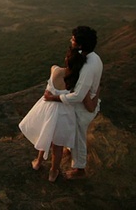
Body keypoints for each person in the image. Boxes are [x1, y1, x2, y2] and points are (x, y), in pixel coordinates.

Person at [19, 47, 98, 182]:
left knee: (45, 135)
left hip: (48, 112)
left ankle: (38, 162)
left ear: (66, 60)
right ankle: (53, 172)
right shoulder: (78, 82)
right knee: (58, 146)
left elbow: (53, 66)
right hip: (64, 115)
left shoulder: (56, 71)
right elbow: (86, 101)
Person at [45, 25, 102, 180]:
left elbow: (78, 96)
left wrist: (54, 98)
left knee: (78, 138)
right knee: (73, 133)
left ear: (80, 45)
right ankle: (69, 149)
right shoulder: (93, 57)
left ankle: (79, 169)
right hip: (87, 102)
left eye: (73, 39)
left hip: (83, 109)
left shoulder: (88, 67)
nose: (71, 40)